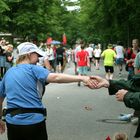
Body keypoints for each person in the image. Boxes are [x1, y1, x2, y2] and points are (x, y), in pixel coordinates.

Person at [0, 42, 95, 140]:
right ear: (29, 54)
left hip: (13, 123)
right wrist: (82, 78)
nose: (38, 59)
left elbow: (0, 99)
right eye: (37, 55)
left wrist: (0, 119)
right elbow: (56, 77)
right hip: (34, 121)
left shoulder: (8, 73)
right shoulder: (34, 69)